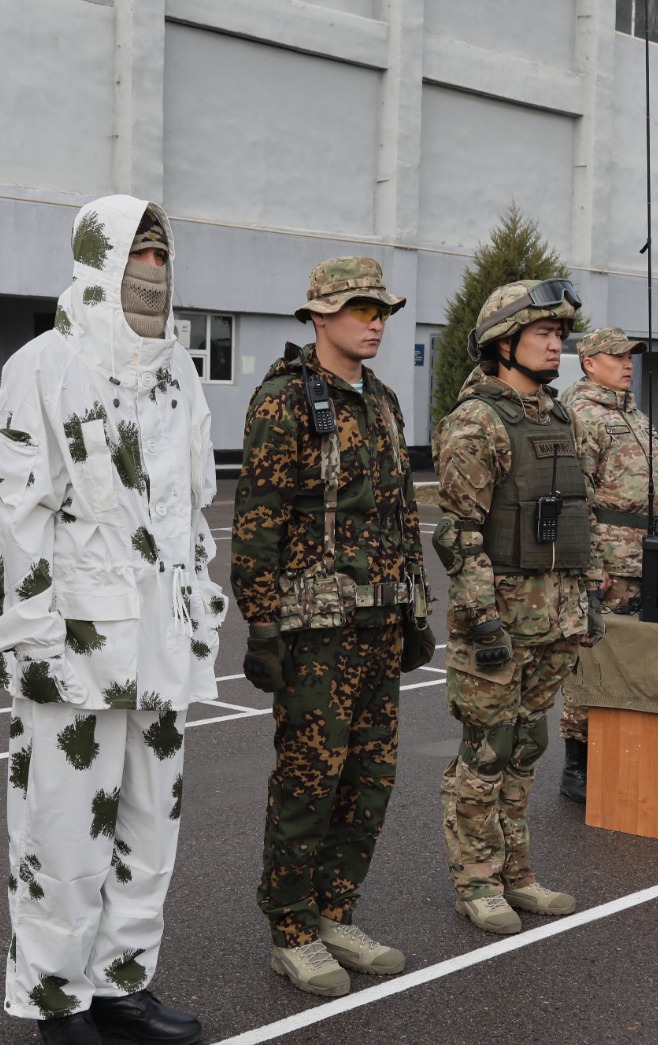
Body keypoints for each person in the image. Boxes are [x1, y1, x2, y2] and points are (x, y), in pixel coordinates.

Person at [0, 197, 225, 1045]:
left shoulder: (179, 371)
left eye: (162, 252)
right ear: (100, 260)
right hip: (73, 644)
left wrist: (201, 612)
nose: (153, 268)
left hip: (161, 642)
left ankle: (122, 982)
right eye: (138, 252)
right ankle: (56, 1000)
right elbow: (17, 514)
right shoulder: (44, 365)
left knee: (151, 825)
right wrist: (29, 636)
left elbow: (192, 508)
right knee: (60, 831)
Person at [230, 257, 433, 997]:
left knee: (368, 781)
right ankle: (291, 929)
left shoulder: (381, 401)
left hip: (380, 621)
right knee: (308, 783)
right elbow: (259, 520)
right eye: (359, 310)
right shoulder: (283, 400)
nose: (374, 324)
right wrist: (262, 624)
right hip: (317, 633)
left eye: (381, 311)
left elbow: (401, 514)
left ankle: (335, 912)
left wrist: (416, 608)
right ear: (318, 316)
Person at [431, 279, 606, 936]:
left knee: (528, 746)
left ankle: (516, 872)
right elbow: (460, 534)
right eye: (543, 333)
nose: (557, 345)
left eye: (560, 334)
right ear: (503, 343)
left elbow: (577, 520)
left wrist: (586, 601)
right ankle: (477, 883)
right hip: (500, 623)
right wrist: (482, 622)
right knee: (487, 751)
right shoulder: (476, 423)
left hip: (554, 619)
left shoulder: (561, 419)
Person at [556, 327, 658, 803]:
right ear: (589, 363)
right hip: (610, 559)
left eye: (631, 357)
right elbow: (573, 496)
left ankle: (623, 754)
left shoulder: (632, 414)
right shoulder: (583, 415)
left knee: (637, 661)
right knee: (595, 662)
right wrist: (591, 564)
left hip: (648, 556)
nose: (628, 364)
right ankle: (577, 765)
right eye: (617, 356)